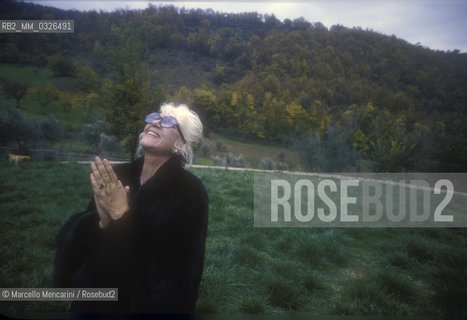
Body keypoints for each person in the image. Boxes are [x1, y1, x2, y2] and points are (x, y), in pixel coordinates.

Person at [54, 103, 209, 314]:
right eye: (155, 117)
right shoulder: (118, 175)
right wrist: (100, 222)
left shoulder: (189, 192)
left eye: (169, 122)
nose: (154, 122)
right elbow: (75, 244)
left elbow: (177, 274)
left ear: (180, 145)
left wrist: (123, 217)